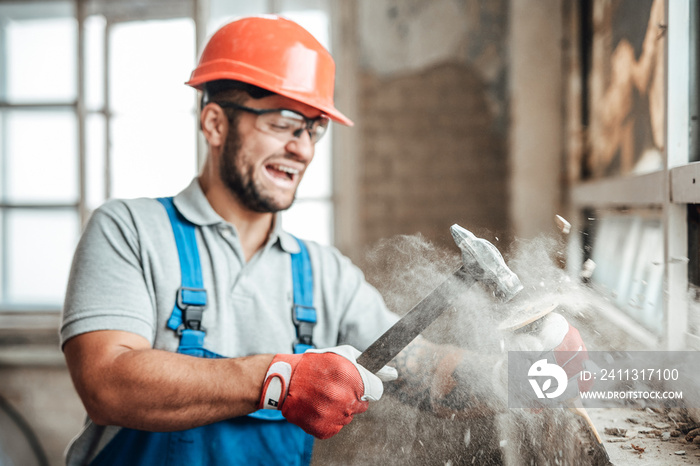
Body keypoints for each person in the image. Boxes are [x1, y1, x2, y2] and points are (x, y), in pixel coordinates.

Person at [61, 15, 587, 466]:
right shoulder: (129, 231)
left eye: (314, 129)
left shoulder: (322, 274)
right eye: (285, 122)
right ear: (215, 122)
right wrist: (278, 378)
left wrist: (518, 378)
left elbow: (425, 371)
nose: (301, 148)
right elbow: (106, 382)